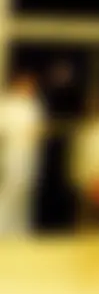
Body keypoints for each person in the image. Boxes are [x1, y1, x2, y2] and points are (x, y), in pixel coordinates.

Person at [0, 72, 45, 237]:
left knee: (24, 192)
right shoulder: (6, 104)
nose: (29, 89)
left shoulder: (32, 105)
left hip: (29, 154)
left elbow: (36, 128)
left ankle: (19, 230)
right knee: (10, 189)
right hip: (12, 153)